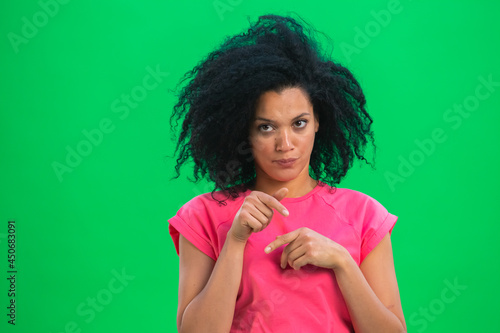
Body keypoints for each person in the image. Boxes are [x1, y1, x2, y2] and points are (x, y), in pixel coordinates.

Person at [168, 14, 406, 333]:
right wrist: (235, 240)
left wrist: (342, 262)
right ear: (243, 132)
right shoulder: (203, 216)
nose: (285, 144)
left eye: (299, 123)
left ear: (319, 121)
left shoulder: (363, 216)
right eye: (266, 127)